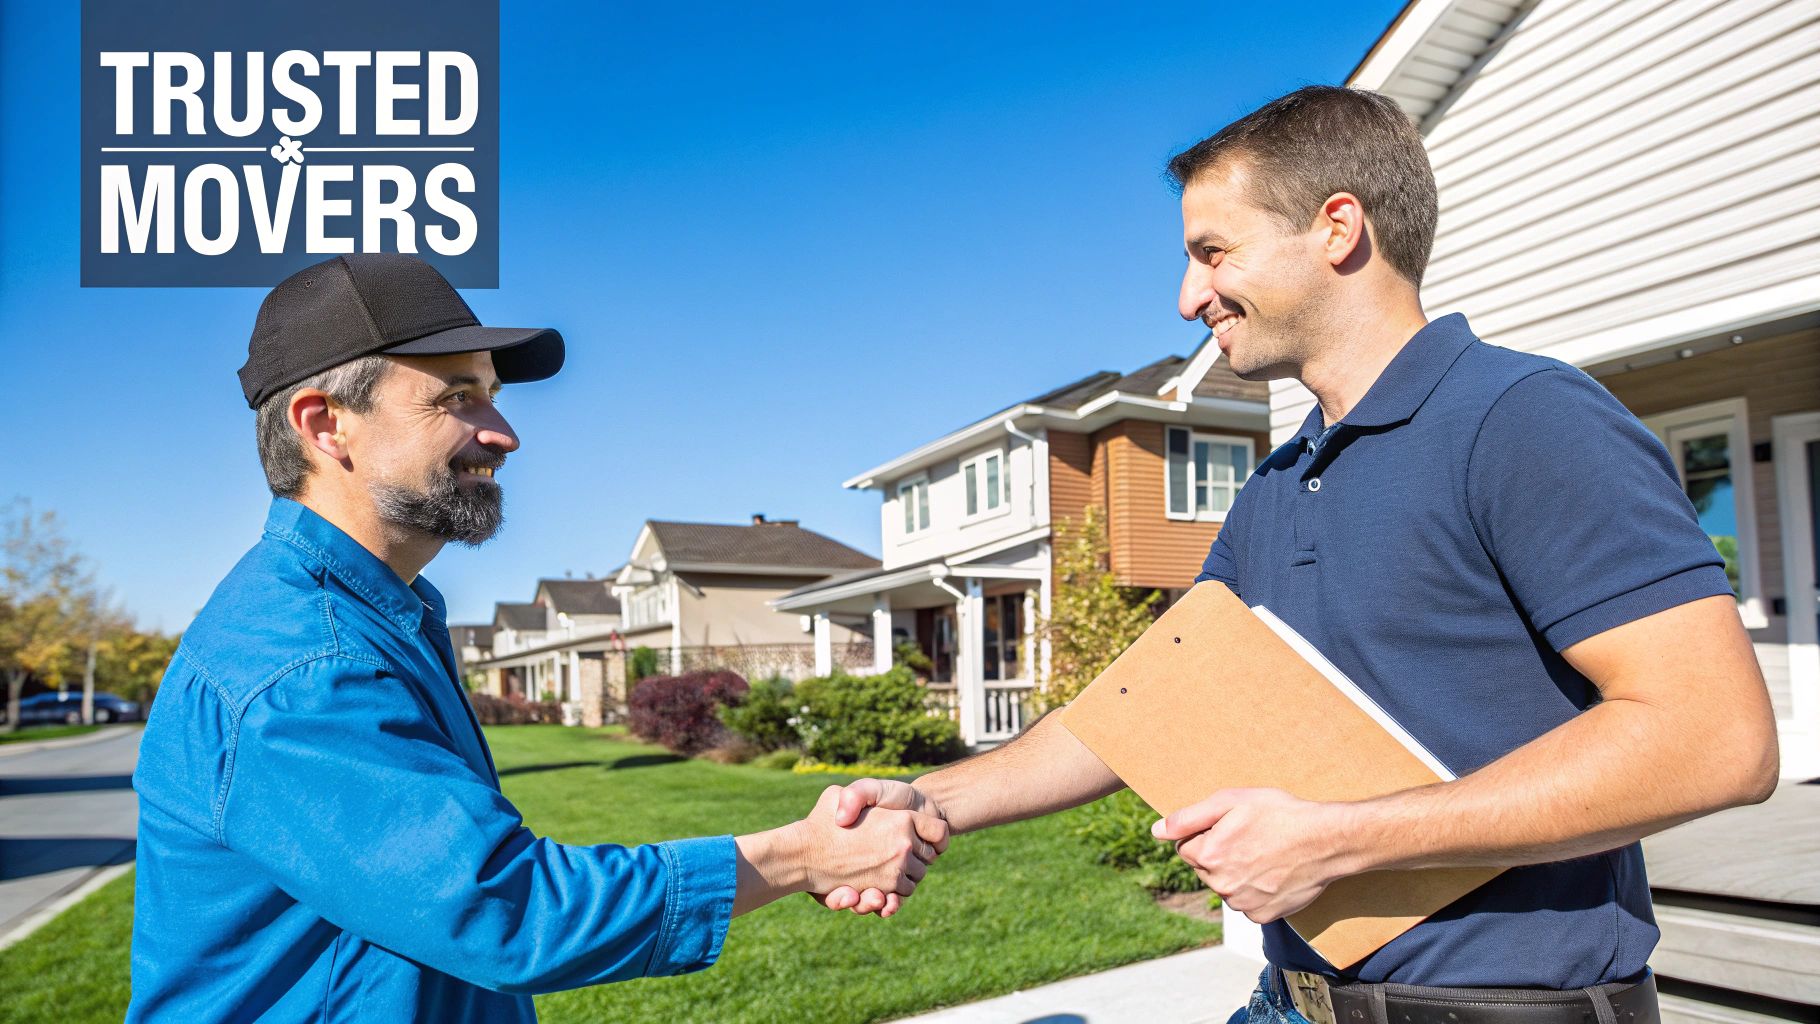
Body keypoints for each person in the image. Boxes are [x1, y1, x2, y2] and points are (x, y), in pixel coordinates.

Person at [821, 86, 1778, 1021]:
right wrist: (927, 799)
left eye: (1213, 252)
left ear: (1336, 227)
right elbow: (1136, 715)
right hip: (1294, 1003)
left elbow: (1714, 740)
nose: (1189, 295)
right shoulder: (1277, 487)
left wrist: (1343, 842)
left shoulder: (1523, 421)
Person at [128, 253, 947, 1023]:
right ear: (326, 424)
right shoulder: (301, 661)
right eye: (456, 398)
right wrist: (801, 856)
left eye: (490, 395)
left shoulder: (387, 614)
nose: (504, 433)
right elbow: (506, 911)